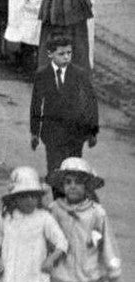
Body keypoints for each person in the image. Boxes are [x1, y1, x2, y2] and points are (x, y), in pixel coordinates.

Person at [46, 158, 123, 282]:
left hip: (88, 275)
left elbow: (107, 245)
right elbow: (44, 240)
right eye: (68, 182)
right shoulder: (54, 210)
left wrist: (114, 273)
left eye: (78, 182)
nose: (72, 186)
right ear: (62, 186)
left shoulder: (96, 213)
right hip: (61, 274)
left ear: (87, 186)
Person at [0, 166, 68, 282]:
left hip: (35, 273)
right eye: (24, 196)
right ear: (14, 198)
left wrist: (51, 259)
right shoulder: (7, 217)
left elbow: (62, 243)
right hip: (12, 274)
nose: (29, 200)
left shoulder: (44, 218)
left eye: (33, 196)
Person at [30, 35, 99, 177]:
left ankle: (71, 197)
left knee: (73, 171)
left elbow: (91, 102)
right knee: (55, 171)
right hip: (52, 132)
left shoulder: (79, 74)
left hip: (75, 133)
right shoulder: (42, 75)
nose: (66, 57)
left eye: (69, 53)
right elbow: (36, 104)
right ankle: (58, 198)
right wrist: (34, 132)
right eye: (61, 54)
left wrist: (93, 131)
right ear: (50, 54)